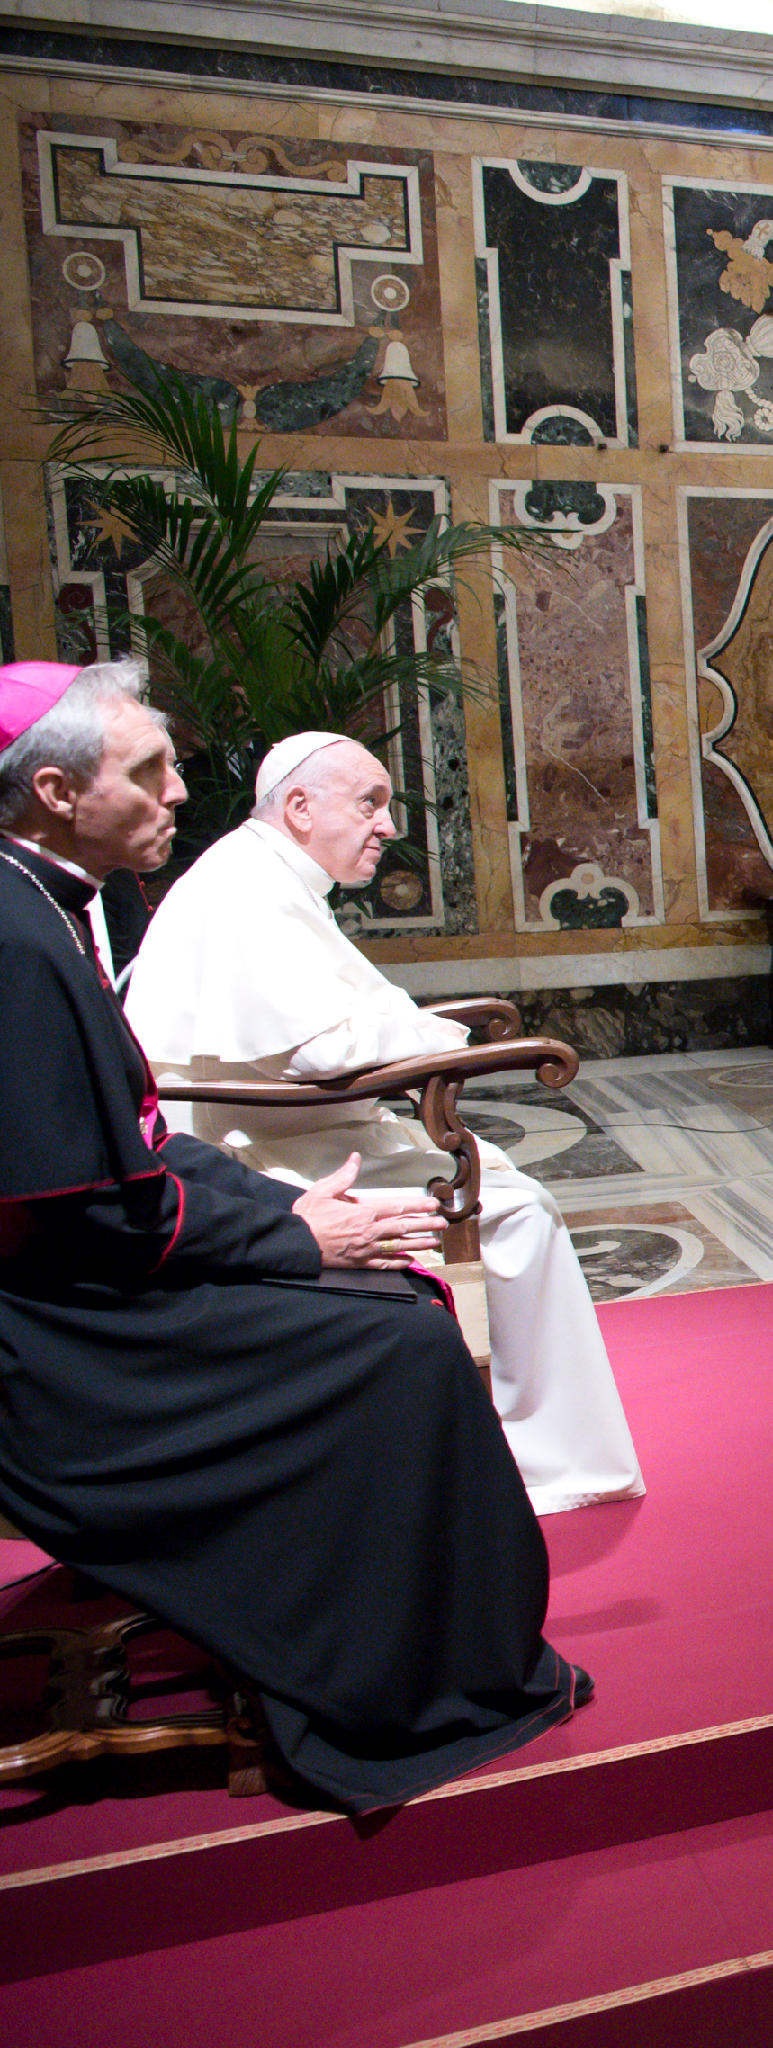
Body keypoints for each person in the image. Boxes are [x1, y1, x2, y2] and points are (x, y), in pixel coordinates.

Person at [0, 659, 586, 1811]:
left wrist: (286, 1216)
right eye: (150, 770)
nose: (181, 790)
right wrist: (294, 1241)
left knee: (398, 1303)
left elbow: (131, 1147)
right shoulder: (17, 942)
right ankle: (397, 1682)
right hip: (55, 1343)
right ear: (59, 793)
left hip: (81, 1284)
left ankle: (402, 1648)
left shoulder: (45, 904)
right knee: (400, 1343)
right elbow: (80, 1205)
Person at [126, 731, 642, 1517]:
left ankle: (511, 1444)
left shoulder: (267, 874)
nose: (389, 826)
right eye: (370, 802)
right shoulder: (248, 886)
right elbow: (320, 1049)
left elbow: (332, 1027)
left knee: (508, 1189)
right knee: (518, 1213)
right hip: (260, 1157)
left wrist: (429, 1033)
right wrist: (442, 1038)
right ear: (300, 807)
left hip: (299, 1133)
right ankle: (542, 1462)